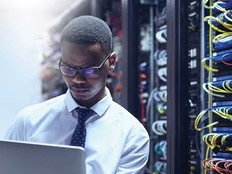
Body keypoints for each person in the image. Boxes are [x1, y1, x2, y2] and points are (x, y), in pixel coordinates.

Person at [3, 15, 150, 174]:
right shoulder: (29, 122)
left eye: (89, 70)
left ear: (112, 62)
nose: (78, 79)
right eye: (68, 69)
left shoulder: (132, 135)